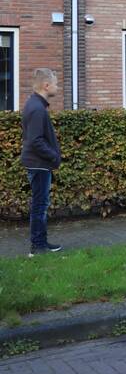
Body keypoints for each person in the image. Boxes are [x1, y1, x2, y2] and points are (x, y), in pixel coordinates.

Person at [21, 68, 62, 257]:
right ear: (46, 85)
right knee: (40, 206)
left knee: (40, 204)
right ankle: (38, 247)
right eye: (55, 84)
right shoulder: (37, 108)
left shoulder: (35, 104)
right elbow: (35, 141)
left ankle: (41, 243)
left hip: (38, 163)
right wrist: (53, 156)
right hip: (39, 164)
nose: (57, 87)